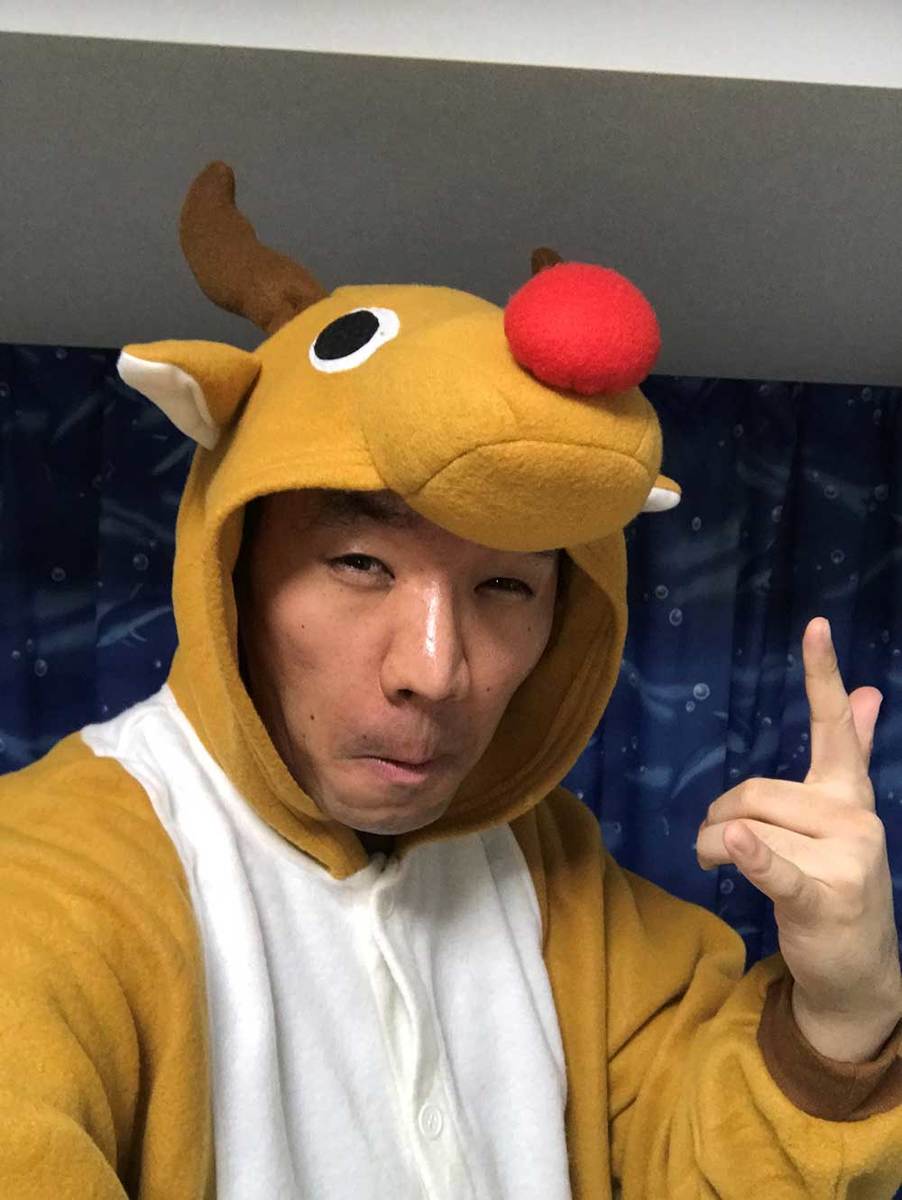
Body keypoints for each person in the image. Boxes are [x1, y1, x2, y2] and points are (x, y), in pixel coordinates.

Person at [0, 162, 899, 1199]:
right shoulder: (49, 882)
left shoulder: (554, 872)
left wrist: (843, 1011)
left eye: (506, 587)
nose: (434, 670)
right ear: (231, 572)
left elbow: (701, 1162)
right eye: (359, 564)